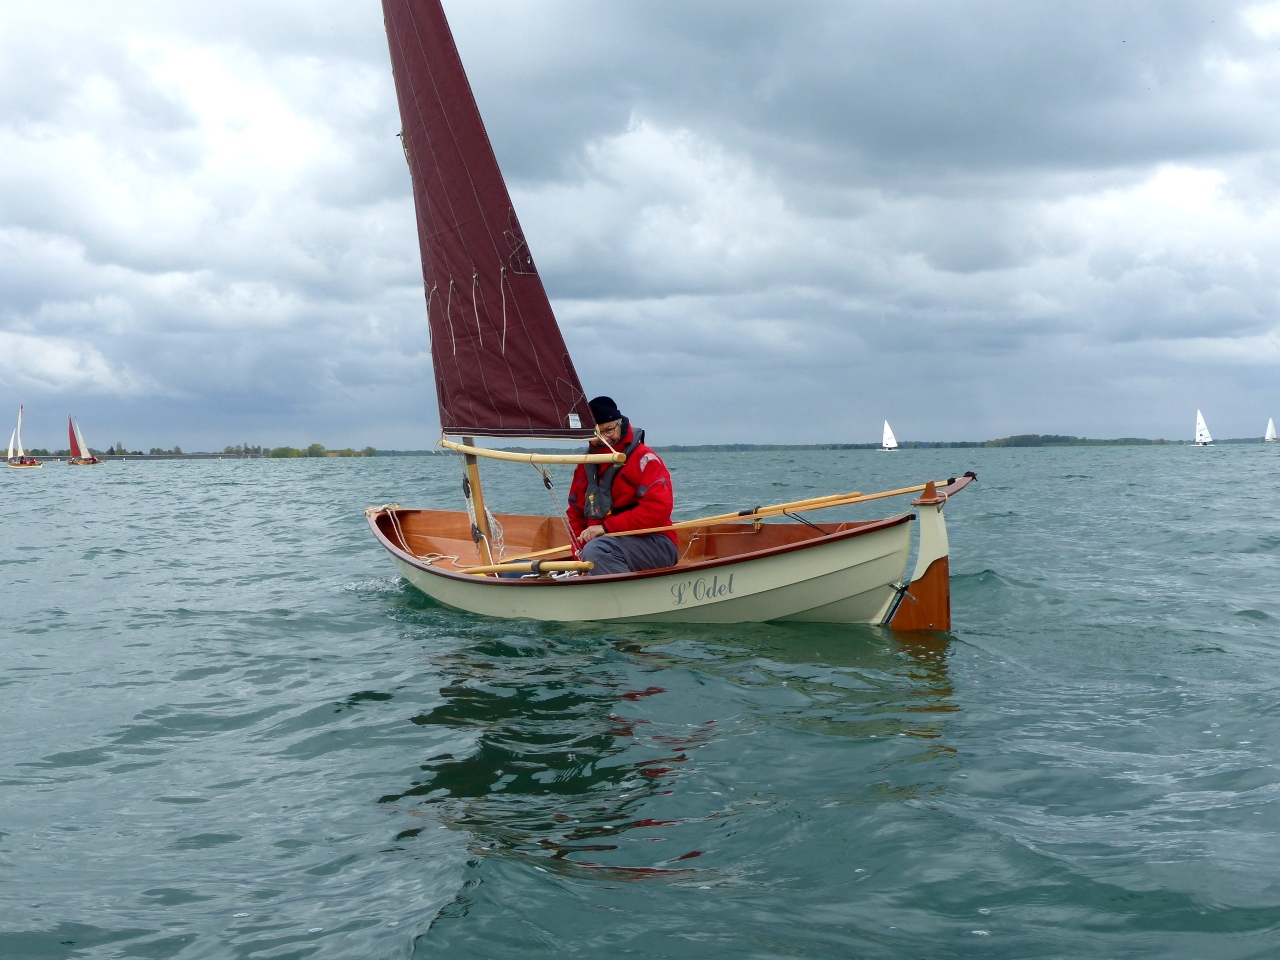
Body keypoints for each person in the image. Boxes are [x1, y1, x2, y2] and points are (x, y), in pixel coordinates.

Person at [566, 396, 678, 576]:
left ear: (620, 424)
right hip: (603, 547)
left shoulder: (644, 459)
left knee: (596, 551)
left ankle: (626, 600)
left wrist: (605, 528)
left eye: (609, 430)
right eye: (597, 434)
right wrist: (579, 552)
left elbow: (658, 509)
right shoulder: (585, 466)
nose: (604, 439)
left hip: (656, 543)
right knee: (591, 552)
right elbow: (575, 512)